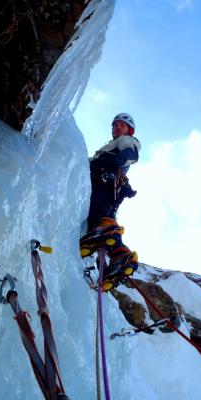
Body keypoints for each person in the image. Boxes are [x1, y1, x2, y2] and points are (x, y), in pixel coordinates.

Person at [80, 113, 141, 283]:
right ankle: (121, 258)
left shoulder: (126, 141)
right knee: (102, 216)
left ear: (129, 130)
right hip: (111, 185)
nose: (117, 128)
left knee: (99, 210)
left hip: (104, 179)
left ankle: (103, 231)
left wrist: (119, 158)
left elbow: (131, 154)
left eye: (122, 125)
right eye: (115, 125)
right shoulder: (113, 144)